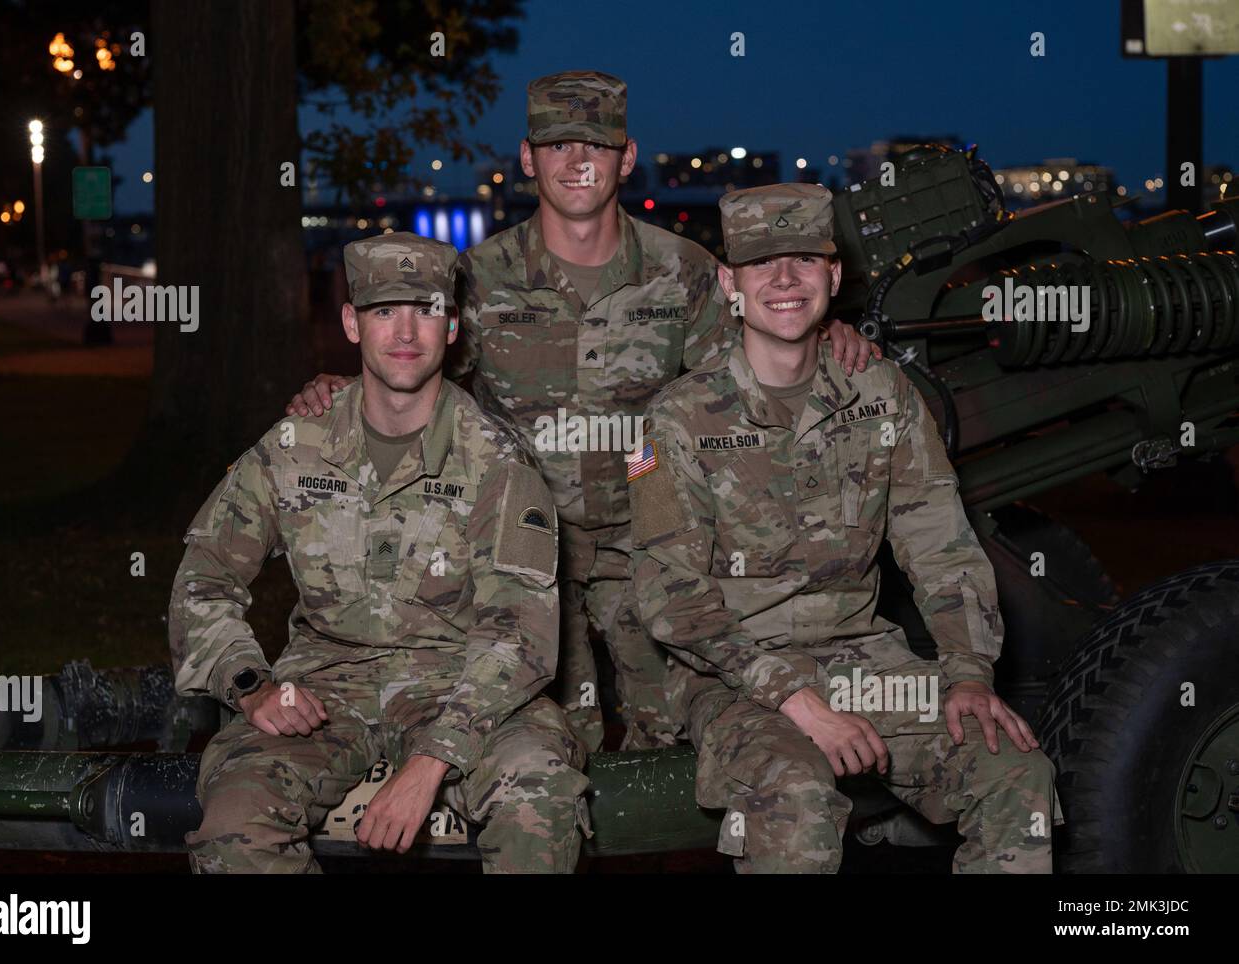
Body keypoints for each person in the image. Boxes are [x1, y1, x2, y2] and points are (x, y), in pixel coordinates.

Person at [284, 71, 879, 753]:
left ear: (625, 158)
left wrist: (827, 333)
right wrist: (343, 387)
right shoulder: (479, 277)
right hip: (526, 543)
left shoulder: (680, 270)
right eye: (557, 145)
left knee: (679, 730)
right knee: (551, 737)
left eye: (594, 145)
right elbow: (411, 370)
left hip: (649, 532)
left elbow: (750, 367)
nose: (576, 162)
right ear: (528, 157)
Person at [628, 183, 1061, 873]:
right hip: (735, 679)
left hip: (867, 663)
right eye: (762, 263)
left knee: (1013, 771)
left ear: (833, 275)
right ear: (728, 283)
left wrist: (969, 673)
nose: (785, 279)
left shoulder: (882, 395)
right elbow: (671, 599)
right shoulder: (675, 421)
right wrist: (797, 701)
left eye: (804, 258)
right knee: (795, 794)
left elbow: (942, 547)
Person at [171, 233, 589, 873]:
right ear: (350, 322)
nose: (405, 332)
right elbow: (204, 577)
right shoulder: (294, 446)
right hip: (321, 685)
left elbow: (521, 636)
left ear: (451, 327)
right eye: (383, 310)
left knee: (539, 794)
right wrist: (250, 685)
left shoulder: (497, 461)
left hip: (464, 686)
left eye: (424, 310)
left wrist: (431, 761)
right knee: (234, 824)